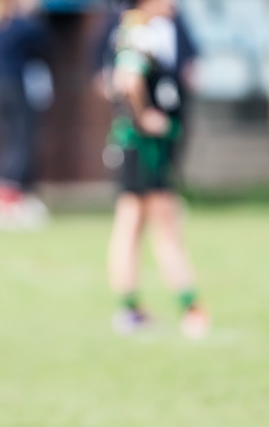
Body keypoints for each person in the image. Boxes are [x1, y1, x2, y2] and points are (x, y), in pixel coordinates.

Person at [101, 0, 207, 338]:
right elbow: (127, 80)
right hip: (144, 147)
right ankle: (191, 307)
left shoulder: (135, 26)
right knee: (163, 221)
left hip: (134, 145)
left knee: (132, 222)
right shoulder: (138, 28)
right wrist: (144, 115)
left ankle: (131, 310)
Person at [0, 0, 53, 229]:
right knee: (19, 141)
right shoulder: (16, 24)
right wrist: (32, 13)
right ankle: (8, 197)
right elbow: (41, 39)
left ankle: (0, 198)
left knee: (7, 141)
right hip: (14, 87)